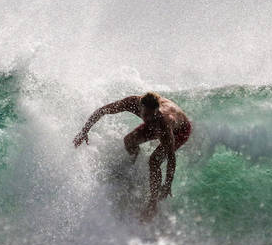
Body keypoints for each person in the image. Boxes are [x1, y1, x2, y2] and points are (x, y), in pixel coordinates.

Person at [73, 92, 192, 220]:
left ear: (157, 111)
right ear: (140, 107)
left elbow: (171, 158)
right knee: (129, 141)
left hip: (180, 131)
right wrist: (84, 131)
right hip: (158, 125)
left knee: (154, 161)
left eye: (152, 115)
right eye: (146, 115)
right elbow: (102, 111)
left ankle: (152, 205)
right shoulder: (131, 103)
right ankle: (134, 165)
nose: (148, 119)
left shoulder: (162, 121)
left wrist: (168, 184)